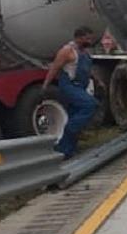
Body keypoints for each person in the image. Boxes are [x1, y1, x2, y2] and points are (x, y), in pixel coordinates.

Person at [43, 26, 101, 158]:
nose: (90, 41)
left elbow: (88, 69)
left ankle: (65, 150)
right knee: (90, 104)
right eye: (87, 38)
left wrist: (97, 80)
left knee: (75, 113)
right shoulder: (67, 51)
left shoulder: (84, 52)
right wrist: (45, 86)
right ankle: (72, 128)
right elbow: (54, 68)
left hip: (80, 87)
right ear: (79, 38)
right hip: (69, 86)